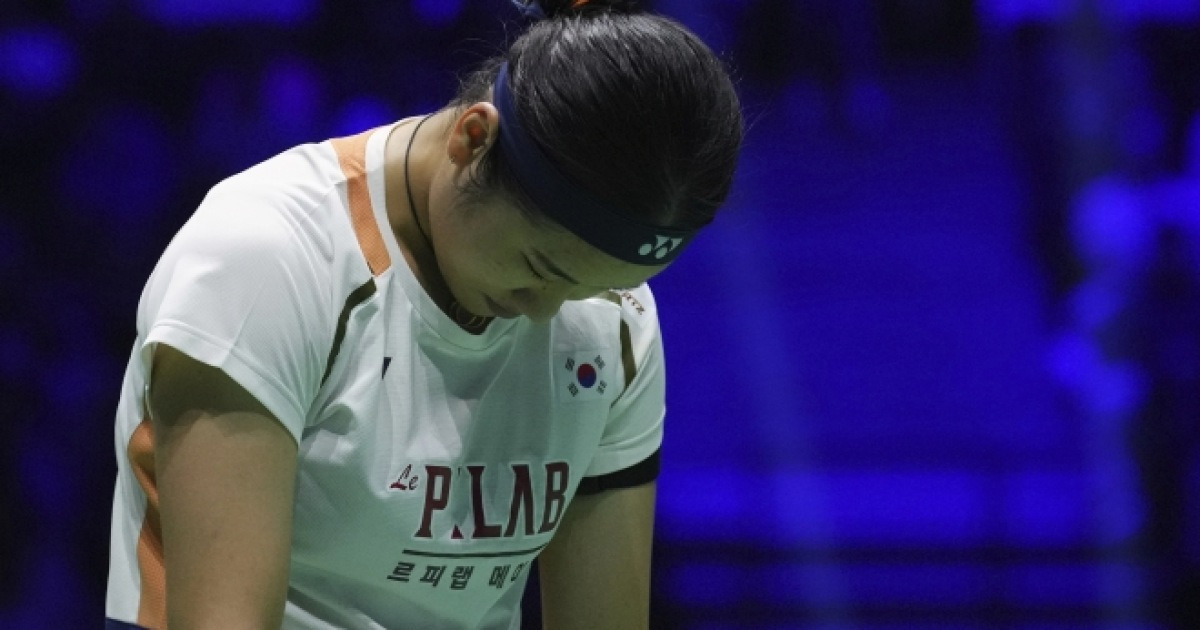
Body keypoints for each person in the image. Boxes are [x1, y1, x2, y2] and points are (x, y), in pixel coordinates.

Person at [104, 0, 743, 627]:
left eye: (592, 288)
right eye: (540, 267)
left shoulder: (615, 320)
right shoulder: (268, 259)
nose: (548, 312)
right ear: (474, 139)